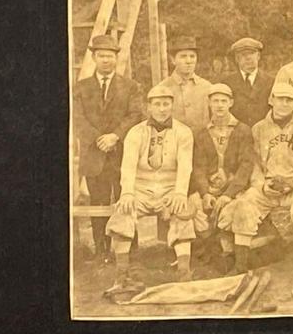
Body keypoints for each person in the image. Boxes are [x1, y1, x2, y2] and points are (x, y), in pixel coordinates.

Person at [104, 84, 198, 296]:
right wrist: (127, 192)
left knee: (182, 212)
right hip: (141, 188)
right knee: (123, 210)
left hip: (169, 189)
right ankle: (122, 275)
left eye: (166, 104)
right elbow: (128, 165)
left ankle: (184, 274)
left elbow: (185, 166)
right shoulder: (135, 132)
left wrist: (180, 192)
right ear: (149, 107)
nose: (162, 109)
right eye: (157, 104)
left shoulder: (183, 132)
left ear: (172, 105)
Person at [219, 83, 293, 274]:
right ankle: (241, 266)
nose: (284, 104)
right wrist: (261, 186)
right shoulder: (259, 129)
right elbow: (254, 164)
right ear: (271, 100)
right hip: (267, 186)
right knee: (244, 204)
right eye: (280, 99)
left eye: (289, 100)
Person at [72, 34, 144, 263]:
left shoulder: (130, 86)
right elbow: (77, 118)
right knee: (98, 200)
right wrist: (98, 139)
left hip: (122, 153)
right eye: (102, 56)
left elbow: (135, 115)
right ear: (94, 57)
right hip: (94, 154)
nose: (107, 60)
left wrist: (115, 136)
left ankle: (129, 248)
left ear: (116, 58)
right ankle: (101, 250)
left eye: (111, 56)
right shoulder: (80, 88)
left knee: (126, 197)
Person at [190, 82, 254, 255]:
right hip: (211, 188)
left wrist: (228, 194)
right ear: (209, 103)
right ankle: (208, 244)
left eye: (223, 101)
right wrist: (205, 193)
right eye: (215, 101)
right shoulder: (201, 133)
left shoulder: (243, 130)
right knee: (192, 207)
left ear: (231, 103)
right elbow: (198, 167)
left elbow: (245, 166)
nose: (219, 105)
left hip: (234, 188)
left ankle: (230, 247)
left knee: (236, 209)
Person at [157, 35, 213, 130]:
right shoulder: (162, 88)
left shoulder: (207, 87)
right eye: (183, 56)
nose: (188, 61)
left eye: (192, 56)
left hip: (202, 143)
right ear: (173, 60)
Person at [221, 36, 273, 127]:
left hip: (264, 132)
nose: (248, 57)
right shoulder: (227, 83)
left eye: (252, 53)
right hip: (237, 134)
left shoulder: (271, 81)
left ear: (258, 56)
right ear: (237, 59)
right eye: (243, 54)